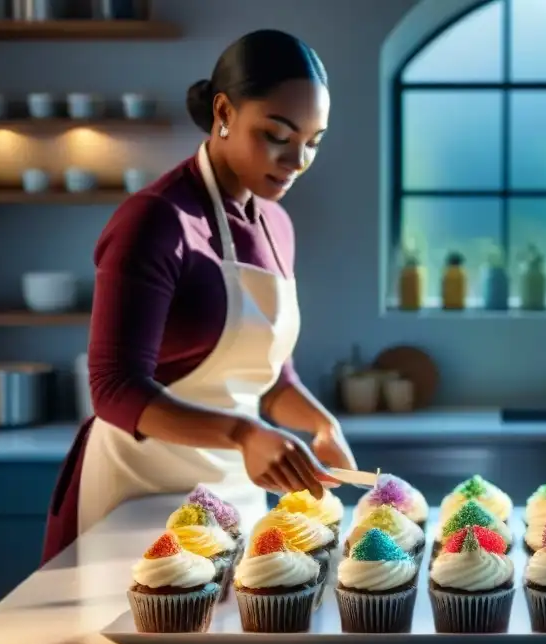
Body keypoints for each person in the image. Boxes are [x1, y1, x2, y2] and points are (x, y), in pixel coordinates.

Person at [42, 30, 356, 563]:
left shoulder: (277, 224)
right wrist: (244, 432)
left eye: (313, 141)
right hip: (136, 500)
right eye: (277, 134)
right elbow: (113, 389)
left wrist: (321, 423)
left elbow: (270, 376)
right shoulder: (155, 221)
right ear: (224, 112)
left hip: (233, 495)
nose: (297, 159)